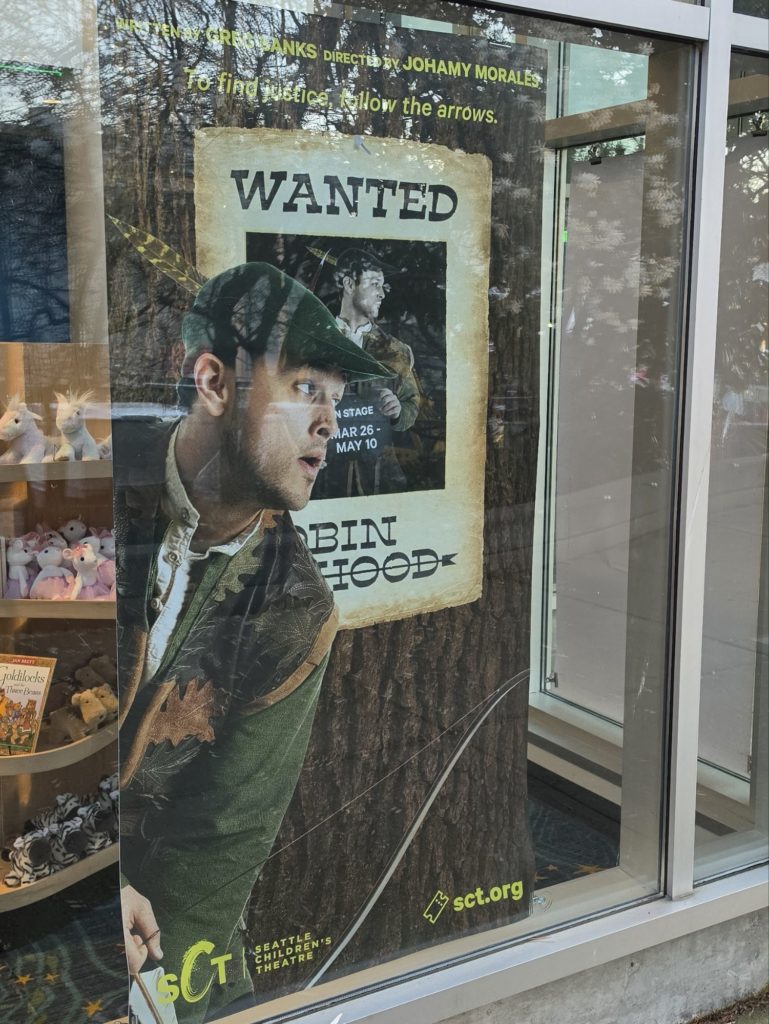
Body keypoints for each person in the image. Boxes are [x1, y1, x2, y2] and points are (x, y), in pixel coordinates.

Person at [115, 262, 390, 1023]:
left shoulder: (295, 608)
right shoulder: (88, 478)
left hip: (148, 923)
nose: (329, 421)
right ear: (214, 383)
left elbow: (221, 843)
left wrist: (154, 987)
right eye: (306, 388)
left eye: (337, 400)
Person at [318, 248, 421, 496]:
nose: (382, 293)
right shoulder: (315, 341)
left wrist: (397, 411)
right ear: (349, 284)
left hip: (378, 478)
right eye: (375, 284)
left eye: (383, 286)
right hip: (321, 475)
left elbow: (411, 404)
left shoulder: (396, 351)